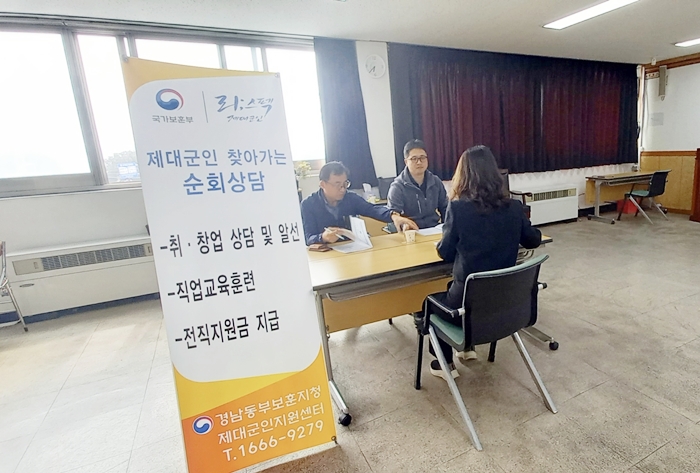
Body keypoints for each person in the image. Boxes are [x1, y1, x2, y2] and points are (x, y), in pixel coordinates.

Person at [427, 145, 541, 381]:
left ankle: (444, 362)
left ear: (463, 176)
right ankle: (467, 349)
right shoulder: (514, 207)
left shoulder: (457, 209)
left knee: (430, 305)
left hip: (467, 304)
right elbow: (533, 240)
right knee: (468, 292)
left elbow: (445, 253)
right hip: (505, 302)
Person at [301, 161, 418, 246]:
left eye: (345, 184)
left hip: (353, 248)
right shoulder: (308, 205)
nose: (342, 189)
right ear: (322, 184)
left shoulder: (350, 198)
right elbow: (308, 238)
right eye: (337, 185)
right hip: (327, 256)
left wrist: (393, 215)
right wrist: (323, 237)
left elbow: (372, 209)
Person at [388, 140, 448, 229]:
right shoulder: (397, 187)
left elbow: (445, 208)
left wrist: (448, 227)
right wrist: (404, 226)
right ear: (406, 162)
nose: (419, 162)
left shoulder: (435, 181)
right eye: (414, 159)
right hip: (411, 231)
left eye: (422, 158)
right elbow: (394, 215)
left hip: (434, 229)